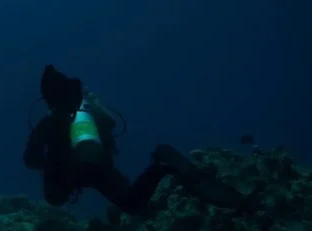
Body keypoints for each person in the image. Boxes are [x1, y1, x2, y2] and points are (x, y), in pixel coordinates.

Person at [24, 65, 240, 214]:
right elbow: (112, 125)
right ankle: (162, 165)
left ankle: (161, 168)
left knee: (55, 198)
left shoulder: (47, 124)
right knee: (133, 204)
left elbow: (30, 159)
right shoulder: (87, 114)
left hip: (71, 175)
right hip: (98, 168)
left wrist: (51, 163)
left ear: (48, 101)